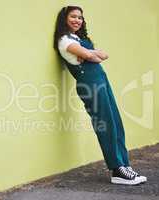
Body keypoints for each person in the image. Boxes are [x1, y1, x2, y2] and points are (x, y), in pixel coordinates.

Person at [53, 5, 147, 185]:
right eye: (73, 17)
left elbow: (102, 55)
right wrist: (90, 54)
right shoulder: (64, 40)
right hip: (90, 84)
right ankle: (116, 169)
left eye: (80, 17)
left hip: (101, 81)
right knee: (105, 125)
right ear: (64, 19)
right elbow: (91, 55)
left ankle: (124, 165)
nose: (77, 20)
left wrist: (91, 54)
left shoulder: (77, 38)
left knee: (116, 122)